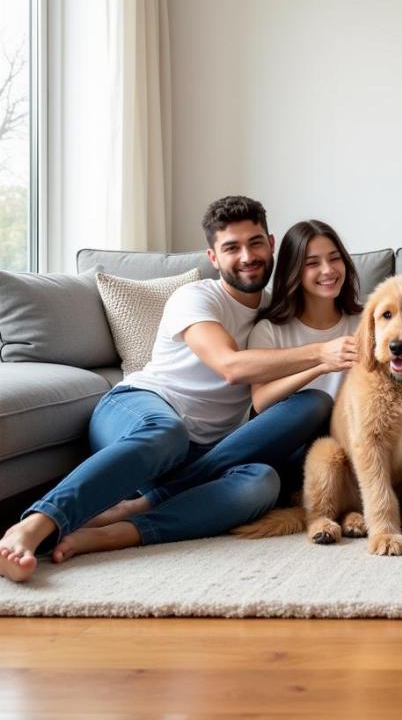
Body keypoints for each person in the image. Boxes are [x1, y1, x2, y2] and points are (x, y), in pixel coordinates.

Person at [0, 196, 349, 583]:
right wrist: (321, 353)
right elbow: (231, 367)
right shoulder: (196, 297)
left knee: (261, 484)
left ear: (270, 243)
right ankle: (36, 523)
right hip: (140, 411)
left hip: (205, 454)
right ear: (213, 257)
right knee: (167, 434)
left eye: (254, 243)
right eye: (232, 248)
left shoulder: (275, 315)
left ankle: (122, 529)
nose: (247, 256)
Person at [247, 219, 361, 415]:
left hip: (349, 432)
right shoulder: (269, 330)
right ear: (294, 271)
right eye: (312, 263)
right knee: (316, 402)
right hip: (293, 436)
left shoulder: (365, 321)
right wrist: (321, 366)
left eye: (334, 258)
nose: (328, 270)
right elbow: (260, 402)